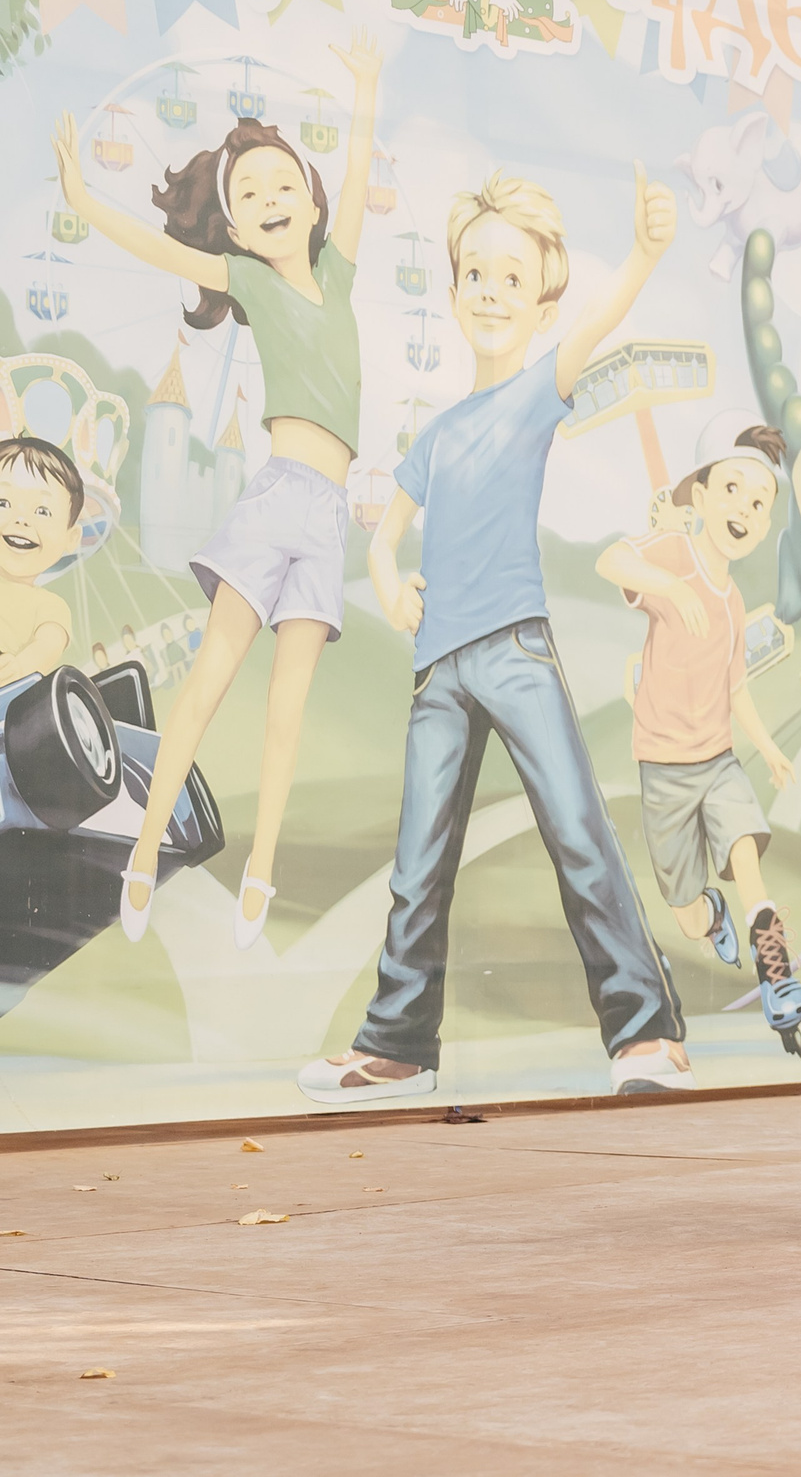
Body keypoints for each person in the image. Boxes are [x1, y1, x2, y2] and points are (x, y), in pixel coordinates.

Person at [297, 163, 689, 1105]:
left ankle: (646, 1034)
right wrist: (391, 584)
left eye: (512, 277)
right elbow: (387, 534)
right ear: (453, 288)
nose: (491, 291)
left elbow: (599, 325)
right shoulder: (436, 433)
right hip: (440, 665)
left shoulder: (534, 393)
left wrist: (643, 251)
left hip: (513, 646)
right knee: (418, 859)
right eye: (476, 273)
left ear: (541, 294)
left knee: (576, 830)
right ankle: (397, 1043)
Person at [55, 31, 382, 949]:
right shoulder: (245, 278)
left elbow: (356, 174)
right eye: (251, 195)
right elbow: (159, 252)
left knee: (289, 707)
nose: (272, 199)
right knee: (209, 681)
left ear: (310, 203)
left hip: (326, 519)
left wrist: (365, 89)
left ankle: (263, 871)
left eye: (285, 184)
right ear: (233, 227)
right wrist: (83, 197)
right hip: (275, 495)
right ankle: (143, 851)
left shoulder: (342, 273)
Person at [596, 420, 801, 1054]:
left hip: (716, 759)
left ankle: (770, 955)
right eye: (732, 490)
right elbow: (611, 559)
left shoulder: (735, 603)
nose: (743, 509)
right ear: (701, 495)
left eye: (758, 501)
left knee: (743, 837)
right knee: (686, 908)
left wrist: (766, 747)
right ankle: (713, 915)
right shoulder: (673, 553)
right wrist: (664, 586)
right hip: (663, 768)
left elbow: (735, 686)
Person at [0, 437, 84, 683]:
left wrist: (18, 668)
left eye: (42, 511)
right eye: (3, 503)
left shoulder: (49, 606)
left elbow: (48, 644)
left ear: (71, 537)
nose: (21, 520)